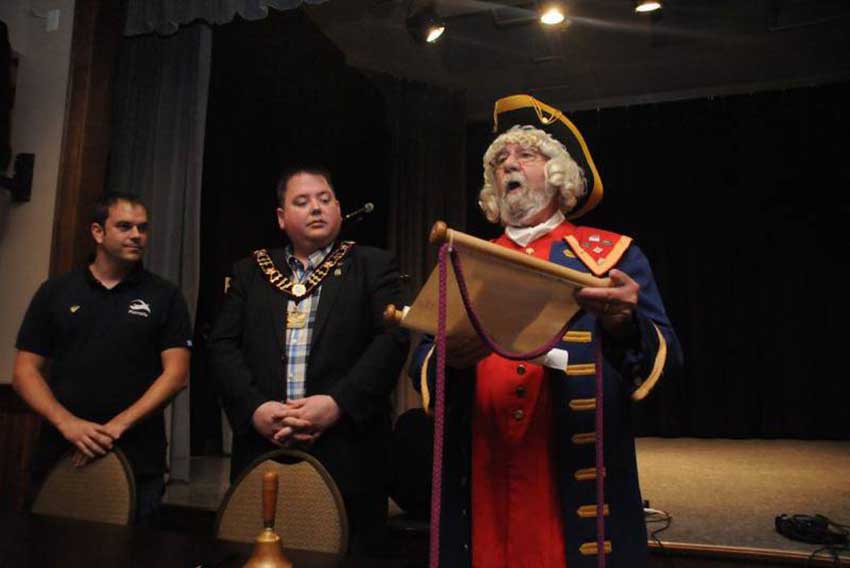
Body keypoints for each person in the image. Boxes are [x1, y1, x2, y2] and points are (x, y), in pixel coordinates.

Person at [410, 94, 682, 567]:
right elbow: (426, 359)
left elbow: (665, 365)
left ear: (559, 174)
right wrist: (448, 359)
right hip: (484, 466)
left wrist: (623, 327)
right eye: (498, 160)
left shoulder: (611, 258)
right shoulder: (464, 258)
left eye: (525, 155)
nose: (508, 165)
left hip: (567, 471)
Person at [209, 168, 409, 553]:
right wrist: (255, 409)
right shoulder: (251, 272)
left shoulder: (373, 265)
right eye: (302, 202)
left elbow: (392, 340)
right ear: (282, 218)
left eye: (325, 199)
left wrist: (337, 404)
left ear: (337, 207)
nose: (316, 207)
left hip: (349, 447)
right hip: (264, 443)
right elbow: (222, 346)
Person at [13, 192, 192, 526]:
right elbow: (25, 372)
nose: (137, 235)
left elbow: (177, 374)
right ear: (98, 232)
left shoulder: (165, 295)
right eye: (125, 226)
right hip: (60, 451)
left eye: (143, 228)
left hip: (138, 457)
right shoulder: (56, 291)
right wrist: (68, 424)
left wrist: (113, 429)